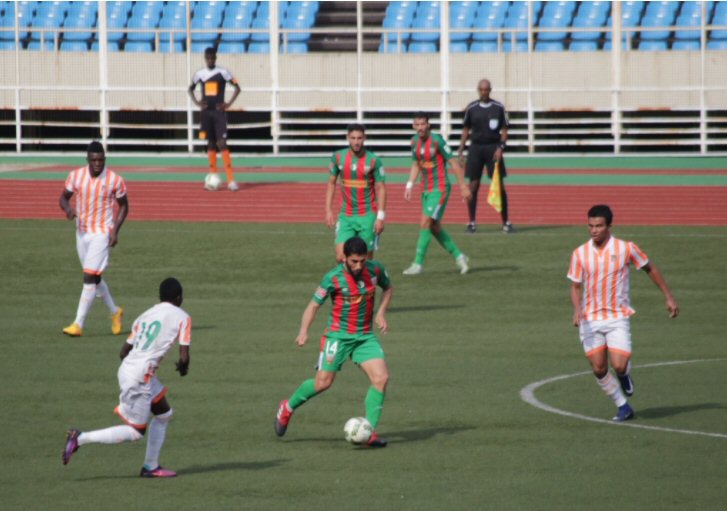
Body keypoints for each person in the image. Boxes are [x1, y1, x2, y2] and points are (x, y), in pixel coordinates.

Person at [62, 277, 192, 478]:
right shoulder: (182, 317)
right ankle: (80, 438)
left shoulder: (145, 315)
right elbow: (184, 357)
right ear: (179, 297)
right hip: (140, 376)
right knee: (136, 432)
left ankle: (151, 466)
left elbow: (123, 351)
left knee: (164, 414)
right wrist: (183, 368)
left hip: (130, 369)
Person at [274, 237, 393, 447]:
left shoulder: (374, 271)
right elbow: (313, 306)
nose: (358, 266)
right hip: (337, 337)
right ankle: (287, 407)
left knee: (381, 378)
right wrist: (303, 332)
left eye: (362, 261)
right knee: (323, 383)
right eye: (354, 261)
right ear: (344, 258)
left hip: (364, 337)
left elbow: (388, 288)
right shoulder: (333, 278)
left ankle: (369, 433)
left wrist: (381, 313)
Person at [568, 205, 679, 422]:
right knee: (599, 369)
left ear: (609, 226)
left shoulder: (626, 248)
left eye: (599, 226)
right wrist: (577, 309)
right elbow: (575, 285)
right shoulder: (580, 253)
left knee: (618, 365)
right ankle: (623, 406)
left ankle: (624, 374)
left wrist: (668, 296)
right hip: (590, 319)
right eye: (590, 226)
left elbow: (650, 268)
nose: (594, 230)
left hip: (617, 316)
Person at [59, 141, 128, 337]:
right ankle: (115, 312)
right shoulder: (76, 176)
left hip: (102, 233)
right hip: (81, 232)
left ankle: (78, 324)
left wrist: (115, 230)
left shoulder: (115, 180)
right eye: (94, 160)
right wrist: (68, 209)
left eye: (101, 160)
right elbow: (63, 198)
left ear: (105, 159)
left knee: (88, 277)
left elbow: (124, 206)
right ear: (87, 160)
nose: (98, 163)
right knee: (95, 279)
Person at [403, 112, 472, 276]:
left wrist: (463, 186)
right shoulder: (414, 142)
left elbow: (454, 163)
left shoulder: (437, 141)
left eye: (423, 124)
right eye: (417, 124)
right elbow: (416, 164)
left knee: (425, 222)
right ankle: (459, 256)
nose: (420, 127)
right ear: (414, 126)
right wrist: (409, 185)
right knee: (433, 227)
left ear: (428, 125)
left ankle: (417, 263)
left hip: (440, 188)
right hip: (425, 189)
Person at [457, 78, 514, 234]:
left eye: (486, 89)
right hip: (475, 149)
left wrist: (501, 147)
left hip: (493, 149)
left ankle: (506, 222)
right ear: (478, 90)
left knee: (499, 186)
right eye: (481, 89)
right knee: (473, 186)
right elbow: (465, 129)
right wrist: (461, 149)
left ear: (490, 90)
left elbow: (504, 131)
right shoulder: (472, 108)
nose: (484, 92)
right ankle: (471, 222)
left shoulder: (498, 108)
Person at [325, 123, 387, 262]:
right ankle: (349, 284)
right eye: (353, 138)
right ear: (347, 138)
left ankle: (364, 284)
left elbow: (381, 188)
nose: (356, 142)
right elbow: (331, 183)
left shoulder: (373, 160)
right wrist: (328, 210)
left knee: (366, 260)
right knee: (341, 257)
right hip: (345, 215)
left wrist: (380, 217)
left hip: (368, 216)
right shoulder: (338, 157)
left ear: (364, 138)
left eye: (359, 138)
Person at [188, 47, 242, 192]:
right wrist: (197, 103)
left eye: (212, 58)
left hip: (219, 114)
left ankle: (231, 180)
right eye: (208, 58)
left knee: (222, 143)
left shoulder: (223, 72)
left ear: (215, 58)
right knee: (211, 144)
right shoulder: (199, 74)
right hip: (206, 114)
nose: (210, 60)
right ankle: (212, 177)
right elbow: (190, 89)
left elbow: (237, 88)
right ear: (205, 58)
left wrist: (228, 104)